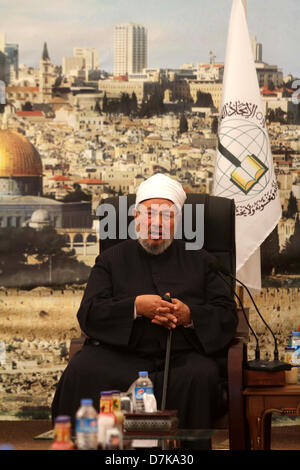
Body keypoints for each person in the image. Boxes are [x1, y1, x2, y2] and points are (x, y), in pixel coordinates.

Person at [51, 173, 237, 432]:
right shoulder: (111, 260)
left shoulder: (202, 261)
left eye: (166, 215)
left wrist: (189, 315)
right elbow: (90, 313)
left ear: (177, 222)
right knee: (82, 368)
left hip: (183, 358)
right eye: (149, 214)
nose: (156, 223)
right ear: (136, 217)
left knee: (200, 376)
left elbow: (226, 315)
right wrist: (136, 307)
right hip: (119, 356)